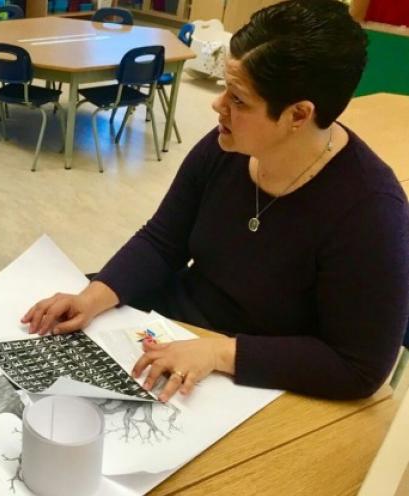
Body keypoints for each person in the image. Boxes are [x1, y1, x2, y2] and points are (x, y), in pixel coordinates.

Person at [22, 0, 409, 403]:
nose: (218, 104)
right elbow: (162, 241)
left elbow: (359, 366)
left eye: (239, 99)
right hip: (178, 330)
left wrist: (222, 352)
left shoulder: (370, 212)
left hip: (261, 377)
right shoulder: (227, 147)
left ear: (298, 115)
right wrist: (94, 296)